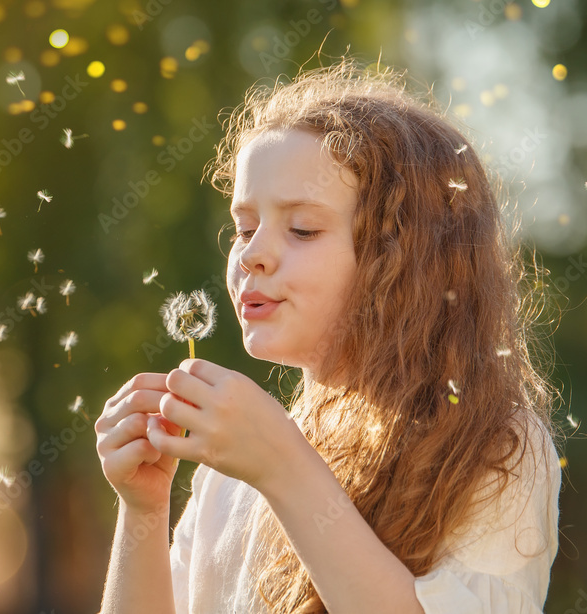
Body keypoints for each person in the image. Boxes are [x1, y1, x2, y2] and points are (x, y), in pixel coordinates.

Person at [94, 58, 565, 613]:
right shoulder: (230, 479)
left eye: (302, 228)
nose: (251, 254)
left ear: (403, 257)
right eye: (243, 227)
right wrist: (143, 509)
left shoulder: (492, 445)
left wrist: (281, 466)